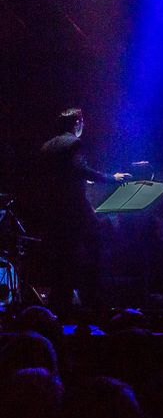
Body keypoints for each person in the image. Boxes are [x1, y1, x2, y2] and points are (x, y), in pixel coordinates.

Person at [37, 108, 130, 314]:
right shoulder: (74, 143)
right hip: (75, 209)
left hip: (53, 211)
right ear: (77, 123)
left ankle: (59, 306)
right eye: (82, 122)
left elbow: (61, 174)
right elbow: (80, 169)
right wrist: (112, 178)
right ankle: (94, 302)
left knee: (62, 259)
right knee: (93, 252)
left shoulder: (47, 146)